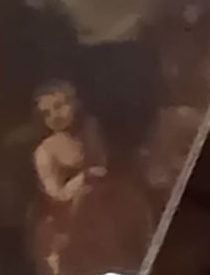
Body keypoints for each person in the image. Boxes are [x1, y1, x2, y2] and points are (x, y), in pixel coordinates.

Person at [29, 80, 153, 275]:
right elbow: (56, 195)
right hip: (70, 213)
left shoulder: (91, 130)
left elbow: (106, 166)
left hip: (108, 201)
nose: (55, 116)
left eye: (59, 106)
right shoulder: (45, 151)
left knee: (131, 204)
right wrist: (84, 178)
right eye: (46, 114)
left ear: (74, 103)